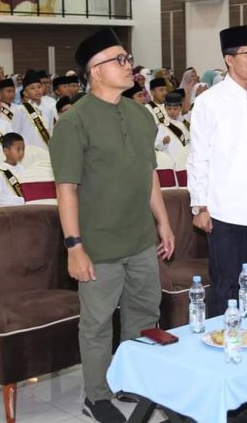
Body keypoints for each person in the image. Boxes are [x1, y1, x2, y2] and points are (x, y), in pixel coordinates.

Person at [50, 28, 174, 423]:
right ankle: (97, 395)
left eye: (127, 58)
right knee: (98, 322)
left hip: (139, 238)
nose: (128, 66)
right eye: (119, 60)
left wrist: (164, 224)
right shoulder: (75, 122)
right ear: (95, 72)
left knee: (143, 312)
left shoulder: (139, 113)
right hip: (98, 244)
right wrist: (74, 246)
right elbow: (66, 190)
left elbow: (148, 173)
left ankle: (132, 380)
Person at [187, 24, 247, 316]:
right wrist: (199, 205)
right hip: (224, 208)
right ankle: (219, 344)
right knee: (225, 283)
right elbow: (198, 156)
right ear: (228, 59)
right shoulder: (209, 101)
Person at [14, 70, 52, 151]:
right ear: (25, 93)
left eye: (39, 87)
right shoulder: (20, 109)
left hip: (45, 149)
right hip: (28, 151)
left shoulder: (48, 109)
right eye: (32, 88)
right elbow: (15, 132)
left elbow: (51, 130)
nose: (37, 90)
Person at [0, 132, 26, 207]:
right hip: (9, 210)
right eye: (18, 149)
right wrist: (21, 200)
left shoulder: (22, 168)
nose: (21, 153)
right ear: (6, 151)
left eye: (23, 149)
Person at [154, 91, 190, 163]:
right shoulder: (162, 126)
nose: (172, 111)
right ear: (165, 108)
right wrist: (163, 142)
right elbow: (156, 147)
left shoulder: (184, 125)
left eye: (175, 109)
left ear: (180, 108)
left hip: (183, 162)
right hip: (169, 162)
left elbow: (188, 143)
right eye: (169, 109)